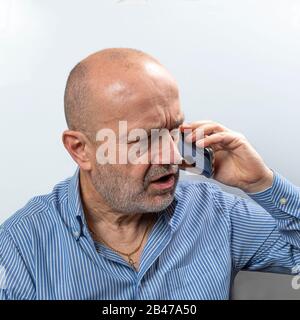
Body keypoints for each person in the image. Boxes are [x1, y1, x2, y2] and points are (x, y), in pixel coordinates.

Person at [0, 48, 299, 300]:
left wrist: (261, 184)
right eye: (144, 140)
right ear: (80, 149)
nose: (173, 155)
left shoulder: (216, 213)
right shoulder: (20, 247)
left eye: (173, 132)